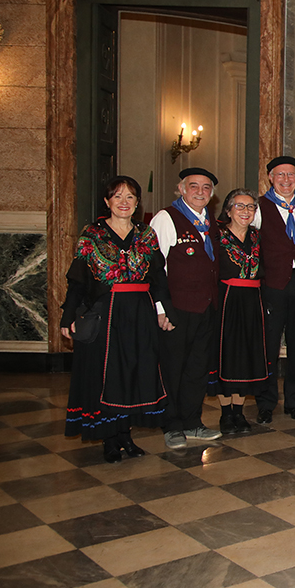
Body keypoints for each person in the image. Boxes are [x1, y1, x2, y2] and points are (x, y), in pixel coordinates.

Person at [61, 176, 172, 463]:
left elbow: (158, 276)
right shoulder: (92, 235)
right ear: (107, 201)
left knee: (133, 373)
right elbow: (78, 281)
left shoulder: (147, 235)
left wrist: (164, 310)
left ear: (137, 203)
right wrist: (68, 316)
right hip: (105, 313)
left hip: (140, 313)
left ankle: (125, 434)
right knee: (106, 375)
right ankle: (110, 439)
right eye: (118, 197)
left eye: (130, 197)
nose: (124, 202)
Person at [151, 168, 225, 449]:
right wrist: (162, 309)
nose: (200, 192)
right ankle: (171, 425)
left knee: (197, 368)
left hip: (206, 307)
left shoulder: (210, 222)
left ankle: (193, 421)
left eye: (206, 188)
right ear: (181, 189)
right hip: (177, 309)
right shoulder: (166, 218)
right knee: (172, 368)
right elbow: (155, 269)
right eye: (194, 186)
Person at [254, 156, 295, 423]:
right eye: (280, 175)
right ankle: (266, 401)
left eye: (291, 175)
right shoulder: (258, 207)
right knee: (268, 344)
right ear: (270, 178)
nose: (286, 180)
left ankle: (293, 400)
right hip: (272, 284)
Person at [211, 189, 268, 434]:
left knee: (247, 354)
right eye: (240, 206)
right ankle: (226, 414)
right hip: (227, 301)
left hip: (253, 300)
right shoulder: (216, 236)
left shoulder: (257, 237)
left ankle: (239, 411)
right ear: (228, 210)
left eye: (250, 207)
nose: (245, 212)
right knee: (228, 354)